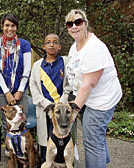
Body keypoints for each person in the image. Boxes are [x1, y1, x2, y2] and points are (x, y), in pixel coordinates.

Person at [63, 9, 122, 168]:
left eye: (78, 22)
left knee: (91, 138)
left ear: (86, 24)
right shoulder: (75, 46)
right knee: (95, 134)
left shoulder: (95, 48)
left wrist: (73, 113)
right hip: (88, 97)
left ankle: (98, 160)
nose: (74, 27)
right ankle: (102, 159)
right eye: (70, 24)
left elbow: (88, 84)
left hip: (103, 99)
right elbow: (74, 76)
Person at [0, 13, 31, 156]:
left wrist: (19, 91)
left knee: (21, 119)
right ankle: (10, 152)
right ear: (2, 27)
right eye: (7, 25)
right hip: (2, 91)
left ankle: (23, 151)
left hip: (21, 89)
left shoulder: (24, 45)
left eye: (13, 25)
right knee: (6, 122)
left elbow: (27, 69)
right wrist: (7, 92)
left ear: (16, 27)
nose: (10, 28)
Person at [29, 33, 68, 163]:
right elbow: (33, 85)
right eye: (48, 42)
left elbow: (70, 84)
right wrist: (44, 102)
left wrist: (62, 102)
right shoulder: (37, 66)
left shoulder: (66, 62)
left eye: (55, 42)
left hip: (62, 109)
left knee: (63, 141)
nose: (52, 45)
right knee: (46, 142)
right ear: (44, 46)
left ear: (60, 46)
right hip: (44, 109)